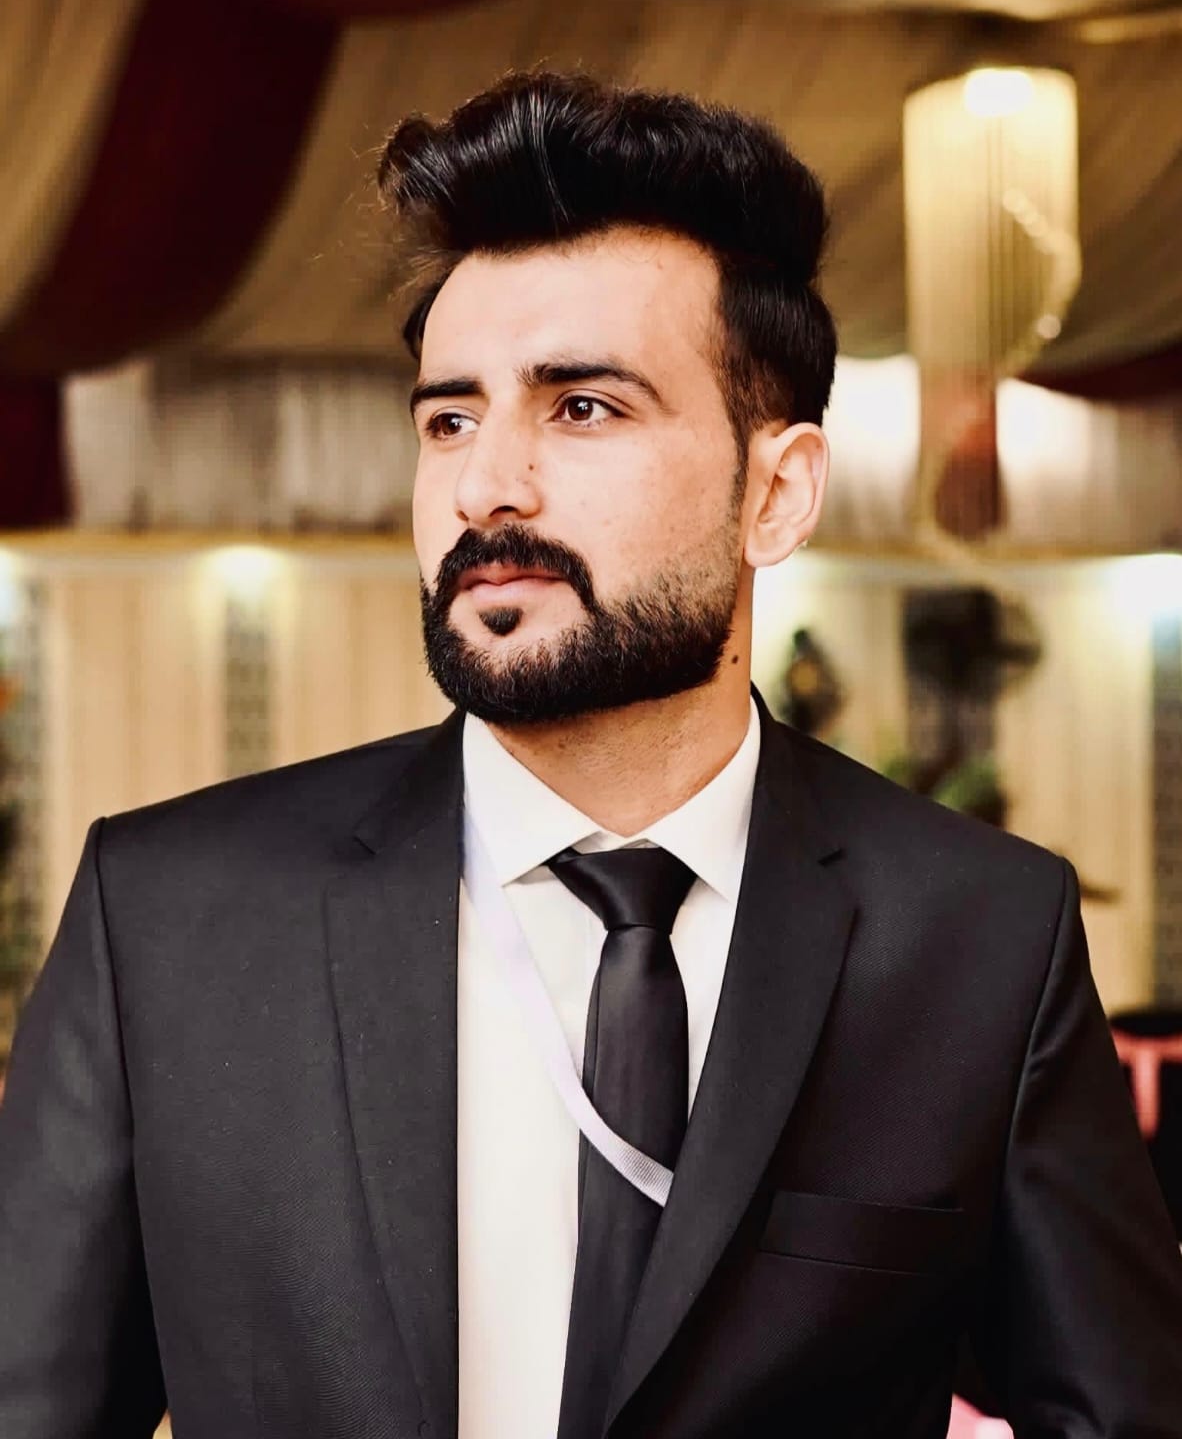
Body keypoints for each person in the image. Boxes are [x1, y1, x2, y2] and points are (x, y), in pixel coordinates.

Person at [1, 71, 1180, 1439]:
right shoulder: (170, 919)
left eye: (582, 409)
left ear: (776, 491)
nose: (485, 486)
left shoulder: (978, 936)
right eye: (450, 418)